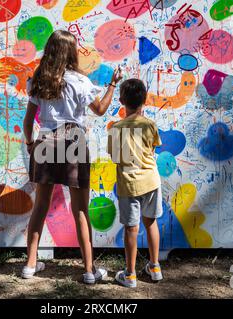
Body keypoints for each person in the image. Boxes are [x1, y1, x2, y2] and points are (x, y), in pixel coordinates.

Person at [22, 30, 123, 284]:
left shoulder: (39, 79)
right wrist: (112, 84)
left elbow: (27, 121)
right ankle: (89, 270)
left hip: (45, 139)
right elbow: (100, 110)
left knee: (41, 205)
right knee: (80, 209)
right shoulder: (80, 81)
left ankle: (30, 265)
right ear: (71, 52)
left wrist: (29, 143)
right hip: (73, 141)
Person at [107, 79, 163, 288]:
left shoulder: (116, 128)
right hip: (151, 182)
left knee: (131, 228)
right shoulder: (149, 125)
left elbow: (115, 157)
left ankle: (130, 275)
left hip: (129, 185)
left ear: (121, 100)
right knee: (151, 223)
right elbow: (153, 148)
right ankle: (155, 267)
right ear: (144, 100)